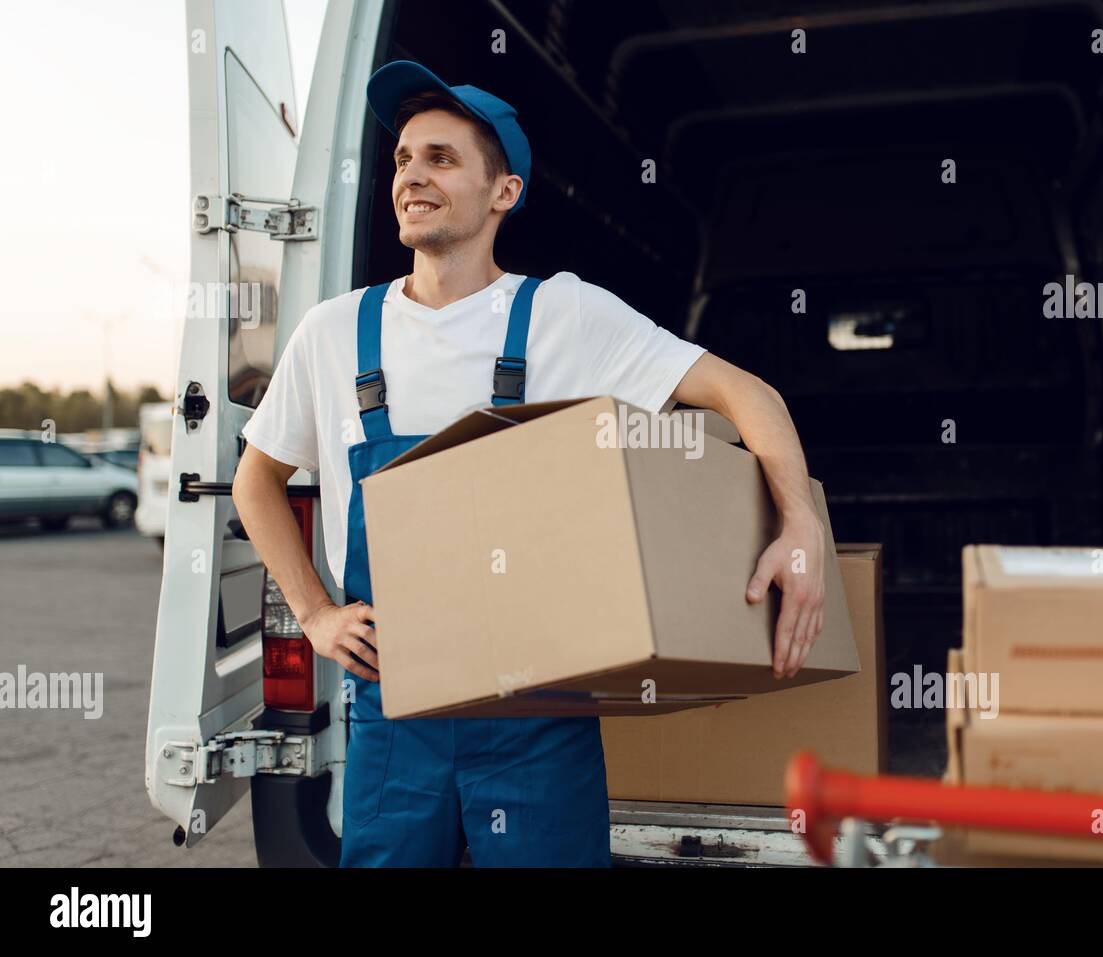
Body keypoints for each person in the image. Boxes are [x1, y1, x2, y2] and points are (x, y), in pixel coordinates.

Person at [231, 60, 827, 867]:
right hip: (392, 711)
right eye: (404, 158)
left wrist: (802, 528)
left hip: (540, 716)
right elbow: (255, 479)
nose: (412, 175)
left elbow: (746, 394)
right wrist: (313, 614)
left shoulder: (565, 315)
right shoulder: (334, 333)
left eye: (441, 158)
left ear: (503, 192)